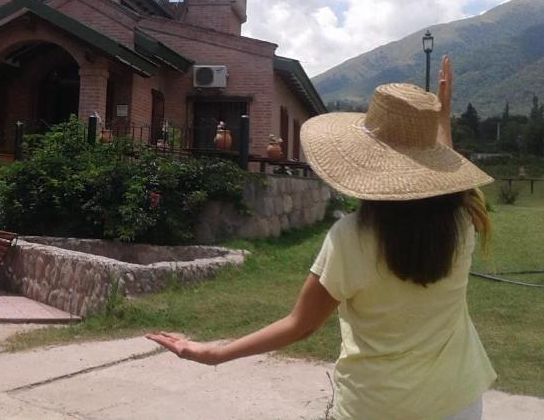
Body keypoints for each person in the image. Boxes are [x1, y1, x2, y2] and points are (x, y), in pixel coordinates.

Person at [147, 56, 496, 420]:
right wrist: (440, 121)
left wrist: (214, 353)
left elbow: (301, 325)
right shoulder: (465, 220)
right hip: (458, 402)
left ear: (368, 161)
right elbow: (450, 180)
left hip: (374, 407)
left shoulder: (351, 238)